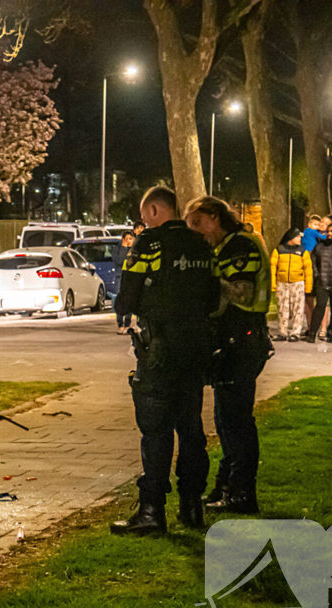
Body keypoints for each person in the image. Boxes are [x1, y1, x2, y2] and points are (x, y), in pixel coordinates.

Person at [111, 187, 219, 535]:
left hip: (160, 347)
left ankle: (152, 511)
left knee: (155, 428)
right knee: (190, 428)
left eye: (145, 216)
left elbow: (127, 294)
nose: (143, 223)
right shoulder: (202, 243)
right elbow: (214, 294)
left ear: (156, 210)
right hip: (196, 346)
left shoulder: (150, 243)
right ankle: (192, 506)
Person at [186, 196, 272, 516]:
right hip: (233, 341)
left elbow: (242, 292)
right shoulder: (226, 246)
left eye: (197, 224)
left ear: (214, 216)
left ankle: (242, 492)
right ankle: (226, 486)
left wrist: (205, 282)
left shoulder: (241, 246)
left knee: (236, 422)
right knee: (226, 421)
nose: (195, 232)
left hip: (243, 340)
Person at [269, 228, 313, 342]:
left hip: (297, 283)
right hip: (282, 283)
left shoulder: (303, 251)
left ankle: (295, 333)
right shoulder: (279, 250)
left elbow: (308, 270)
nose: (300, 239)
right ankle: (282, 332)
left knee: (298, 309)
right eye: (297, 237)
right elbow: (272, 267)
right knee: (282, 308)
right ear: (291, 238)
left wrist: (308, 287)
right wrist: (273, 284)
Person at [301, 214, 325, 335]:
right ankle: (319, 328)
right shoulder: (313, 233)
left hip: (309, 262)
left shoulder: (305, 232)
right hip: (312, 263)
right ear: (310, 225)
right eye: (316, 225)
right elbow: (323, 237)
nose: (317, 227)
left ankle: (310, 327)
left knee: (309, 299)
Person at [112, 231, 135, 333]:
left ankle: (127, 324)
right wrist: (124, 248)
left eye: (131, 239)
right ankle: (120, 323)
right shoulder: (117, 248)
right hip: (120, 277)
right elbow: (119, 260)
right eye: (127, 239)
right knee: (120, 299)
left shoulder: (135, 249)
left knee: (129, 299)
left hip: (131, 277)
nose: (129, 241)